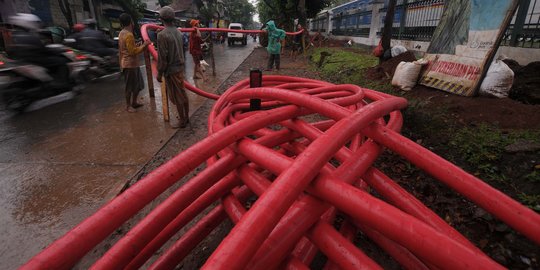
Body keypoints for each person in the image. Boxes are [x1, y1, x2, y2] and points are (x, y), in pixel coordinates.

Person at [7, 13, 70, 90]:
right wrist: (55, 51)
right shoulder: (29, 36)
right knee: (61, 61)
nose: (36, 25)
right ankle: (61, 82)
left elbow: (11, 50)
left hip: (23, 60)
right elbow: (43, 50)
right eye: (35, 23)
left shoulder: (15, 35)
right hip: (35, 60)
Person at [156, 6, 190, 129]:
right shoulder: (179, 32)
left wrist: (159, 73)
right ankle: (186, 117)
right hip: (180, 67)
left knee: (177, 96)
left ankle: (182, 121)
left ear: (161, 19)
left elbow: (162, 58)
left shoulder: (161, 35)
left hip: (171, 70)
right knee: (182, 93)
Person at [118, 13, 151, 113]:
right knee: (130, 86)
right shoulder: (129, 35)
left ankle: (134, 102)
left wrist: (138, 46)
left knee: (137, 85)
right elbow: (132, 52)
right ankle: (128, 106)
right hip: (130, 64)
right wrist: (144, 45)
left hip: (130, 63)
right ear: (131, 22)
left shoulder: (121, 33)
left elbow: (127, 49)